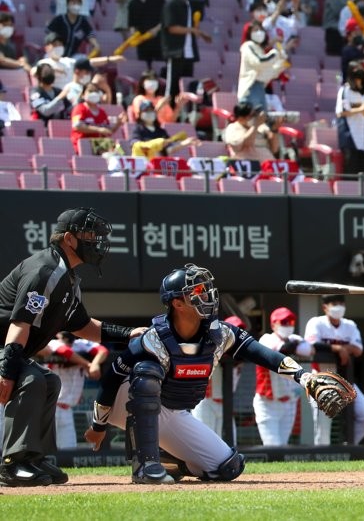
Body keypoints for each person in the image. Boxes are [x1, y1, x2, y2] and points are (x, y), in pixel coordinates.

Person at [83, 265, 335, 483]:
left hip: (172, 410)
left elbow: (263, 354)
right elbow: (112, 378)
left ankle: (169, 459)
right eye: (197, 291)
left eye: (206, 289)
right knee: (146, 372)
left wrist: (303, 377)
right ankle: (145, 465)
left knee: (227, 467)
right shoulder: (153, 338)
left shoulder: (221, 333)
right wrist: (98, 426)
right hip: (127, 402)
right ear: (177, 303)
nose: (207, 295)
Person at [0, 207, 143, 487]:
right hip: (6, 347)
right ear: (69, 239)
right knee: (31, 379)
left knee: (49, 380)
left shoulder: (68, 278)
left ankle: (33, 457)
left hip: (10, 348)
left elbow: (84, 327)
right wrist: (7, 372)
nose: (96, 241)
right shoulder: (45, 271)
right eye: (89, 235)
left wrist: (129, 333)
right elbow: (20, 324)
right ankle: (12, 464)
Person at [304, 295, 364, 446]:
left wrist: (342, 349)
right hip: (321, 380)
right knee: (323, 431)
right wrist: (337, 348)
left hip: (344, 379)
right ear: (325, 307)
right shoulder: (316, 322)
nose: (339, 306)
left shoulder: (349, 325)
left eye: (341, 303)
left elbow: (358, 350)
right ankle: (323, 459)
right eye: (334, 303)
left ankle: (347, 447)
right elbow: (311, 345)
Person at [253, 306, 311, 447]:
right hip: (268, 403)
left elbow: (309, 350)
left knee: (283, 446)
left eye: (290, 322)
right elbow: (279, 350)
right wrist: (293, 345)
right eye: (284, 322)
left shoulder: (294, 338)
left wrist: (293, 344)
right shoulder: (267, 338)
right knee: (272, 445)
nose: (288, 325)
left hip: (289, 402)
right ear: (273, 324)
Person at [39, 332, 108, 449]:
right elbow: (64, 352)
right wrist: (87, 364)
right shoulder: (53, 343)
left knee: (69, 449)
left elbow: (103, 350)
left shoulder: (80, 344)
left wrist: (95, 364)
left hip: (67, 409)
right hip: (50, 406)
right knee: (45, 449)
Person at [191, 315, 246, 440]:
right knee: (205, 440)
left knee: (230, 441)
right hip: (206, 401)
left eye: (239, 330)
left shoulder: (240, 351)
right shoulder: (214, 345)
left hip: (226, 403)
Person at [161, 0, 211, 98]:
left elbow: (190, 26)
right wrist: (193, 30)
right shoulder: (172, 4)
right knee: (172, 88)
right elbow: (171, 28)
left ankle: (183, 108)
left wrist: (200, 33)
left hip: (189, 52)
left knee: (186, 86)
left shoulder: (189, 4)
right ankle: (170, 108)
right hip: (176, 51)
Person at [334, 66, 364, 176]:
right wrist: (360, 109)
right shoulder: (345, 91)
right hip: (351, 136)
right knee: (351, 168)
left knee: (363, 170)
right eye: (356, 79)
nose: (358, 82)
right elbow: (341, 112)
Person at [237, 23, 289, 110]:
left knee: (262, 116)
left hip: (260, 89)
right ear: (249, 33)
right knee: (252, 117)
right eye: (255, 30)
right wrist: (275, 54)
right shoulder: (247, 46)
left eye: (261, 30)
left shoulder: (260, 50)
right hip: (249, 89)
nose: (259, 32)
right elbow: (259, 61)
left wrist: (281, 64)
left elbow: (267, 73)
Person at [70, 83, 126, 154]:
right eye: (90, 91)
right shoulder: (79, 108)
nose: (94, 94)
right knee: (109, 150)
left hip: (101, 143)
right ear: (83, 95)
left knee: (120, 151)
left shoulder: (102, 112)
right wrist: (98, 130)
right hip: (84, 144)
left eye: (96, 91)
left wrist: (118, 124)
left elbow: (107, 131)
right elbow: (77, 126)